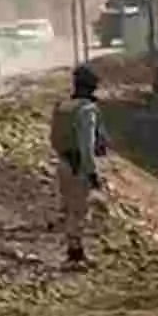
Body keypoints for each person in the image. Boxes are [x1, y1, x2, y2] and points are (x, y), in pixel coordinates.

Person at [50, 64, 109, 268]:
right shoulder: (87, 110)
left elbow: (54, 138)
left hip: (64, 163)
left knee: (70, 211)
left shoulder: (63, 107)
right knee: (79, 212)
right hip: (79, 167)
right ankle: (74, 256)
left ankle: (75, 253)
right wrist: (92, 174)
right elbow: (87, 146)